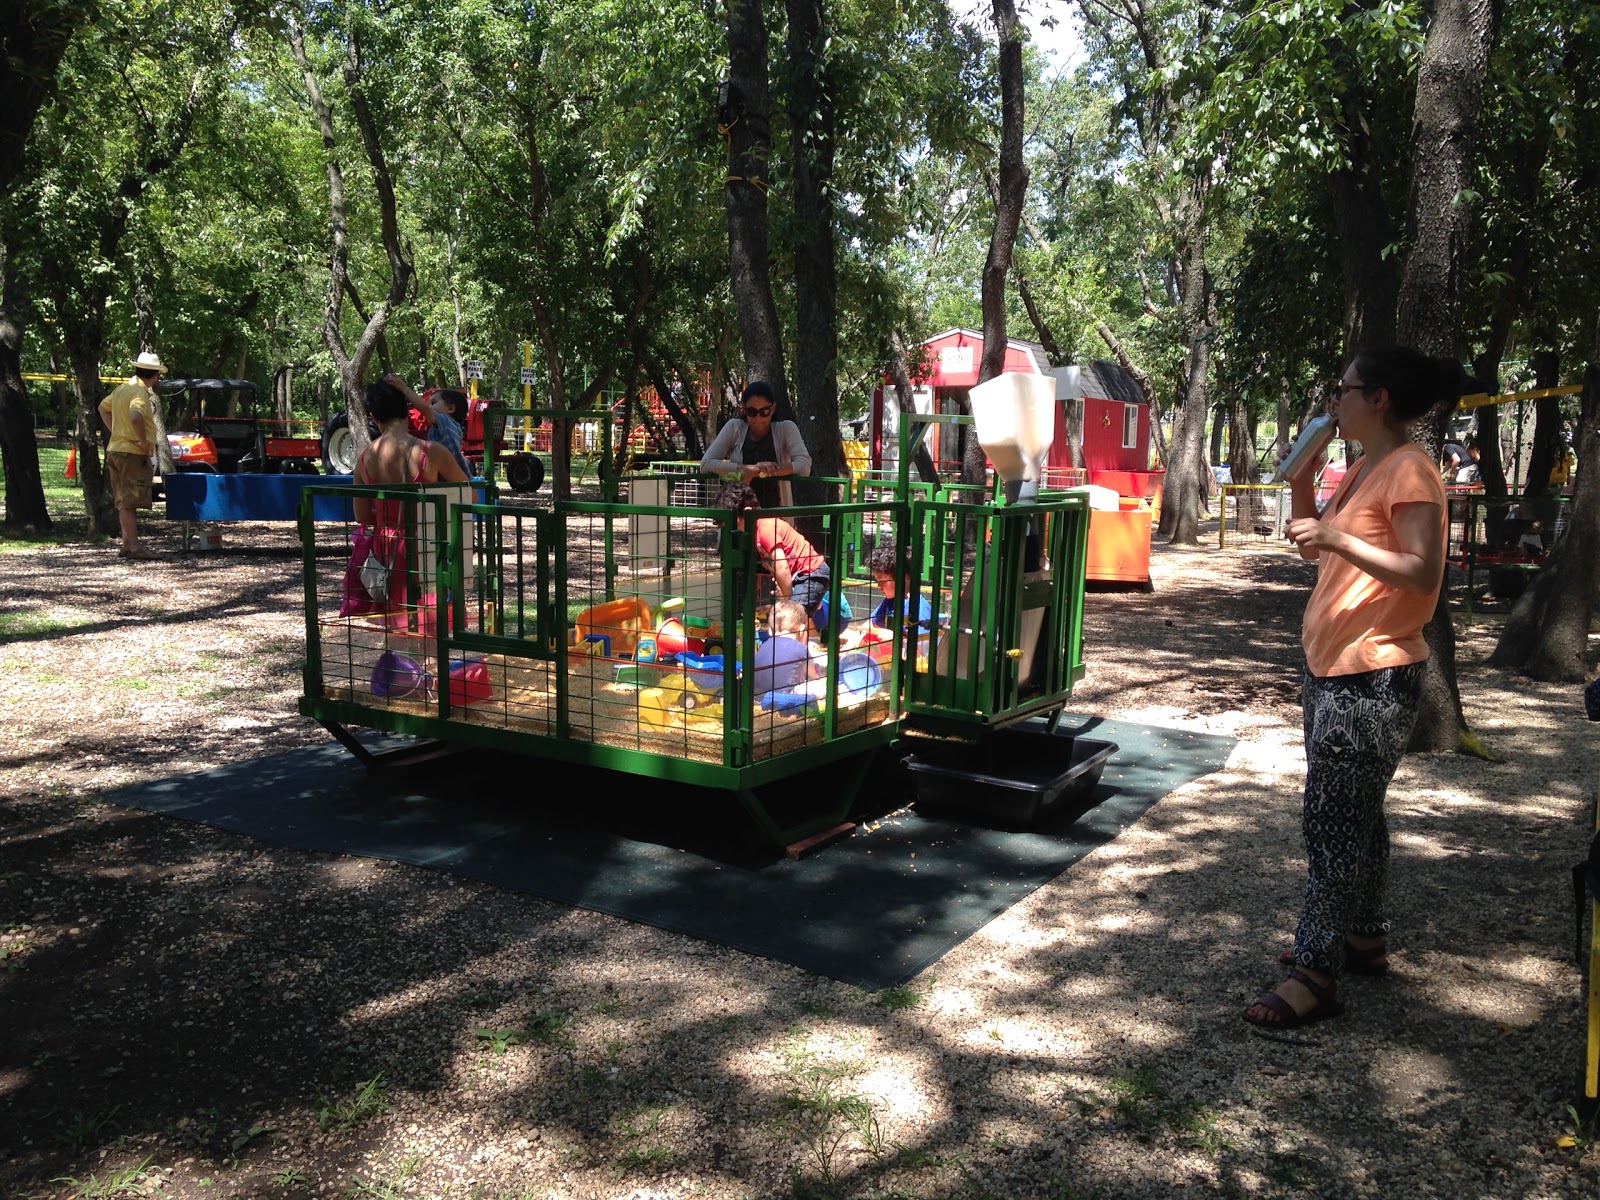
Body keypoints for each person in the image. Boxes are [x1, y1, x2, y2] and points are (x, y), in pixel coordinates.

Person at [1244, 345, 1451, 1030]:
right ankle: (1364, 937)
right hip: (1334, 667)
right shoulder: (1364, 467)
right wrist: (1304, 484)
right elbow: (1315, 545)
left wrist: (1335, 535)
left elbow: (1421, 572)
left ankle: (1316, 972)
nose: (1336, 401)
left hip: (1374, 674)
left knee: (1331, 823)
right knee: (1360, 813)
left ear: (1379, 398)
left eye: (1345, 389)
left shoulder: (1412, 470)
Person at [714, 482, 830, 622]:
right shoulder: (756, 531)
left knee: (792, 618)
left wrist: (787, 603)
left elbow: (782, 567)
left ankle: (801, 638)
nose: (733, 529)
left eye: (734, 522)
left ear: (747, 512)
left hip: (811, 572)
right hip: (800, 575)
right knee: (791, 616)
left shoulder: (765, 529)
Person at [97, 351, 167, 560]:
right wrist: (143, 441)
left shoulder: (121, 389)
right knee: (129, 501)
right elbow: (136, 416)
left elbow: (102, 407)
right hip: (131, 453)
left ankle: (128, 544)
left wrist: (116, 431)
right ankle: (134, 546)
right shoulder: (139, 392)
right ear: (154, 375)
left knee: (122, 500)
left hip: (115, 449)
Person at [700, 381, 812, 507]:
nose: (758, 418)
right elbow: (706, 464)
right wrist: (746, 469)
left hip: (776, 517)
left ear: (773, 408)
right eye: (752, 411)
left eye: (764, 411)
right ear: (744, 409)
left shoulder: (786, 429)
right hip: (740, 514)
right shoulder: (734, 428)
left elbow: (804, 465)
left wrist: (762, 470)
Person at [383, 374, 471, 477]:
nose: (429, 406)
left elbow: (425, 408)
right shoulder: (449, 427)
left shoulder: (446, 423)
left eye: (433, 402)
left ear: (450, 409)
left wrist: (403, 388)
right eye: (428, 403)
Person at [752, 599, 824, 695]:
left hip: (758, 694)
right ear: (802, 629)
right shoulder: (801, 649)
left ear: (769, 631)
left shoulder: (763, 646)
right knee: (816, 686)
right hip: (786, 697)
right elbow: (813, 676)